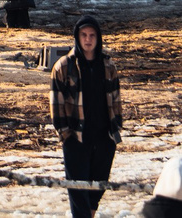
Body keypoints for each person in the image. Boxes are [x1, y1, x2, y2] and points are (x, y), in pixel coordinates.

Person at [50, 14, 121, 218]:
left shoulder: (108, 66)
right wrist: (64, 134)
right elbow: (56, 103)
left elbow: (115, 98)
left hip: (103, 135)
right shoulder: (64, 67)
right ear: (77, 37)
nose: (88, 39)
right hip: (76, 135)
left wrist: (115, 128)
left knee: (98, 185)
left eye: (92, 35)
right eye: (84, 35)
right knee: (78, 189)